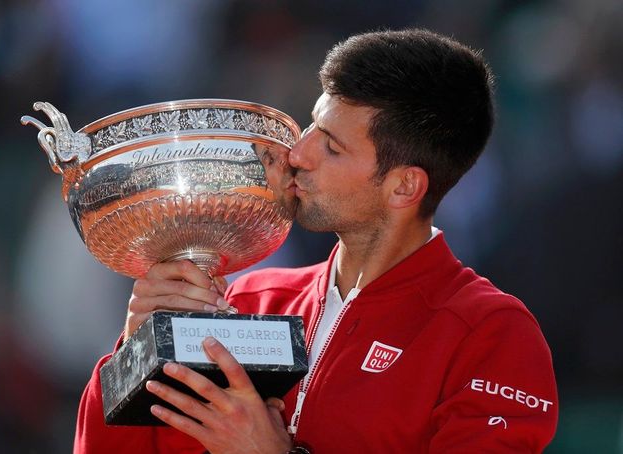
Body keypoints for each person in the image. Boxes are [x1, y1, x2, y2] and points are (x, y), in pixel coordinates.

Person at [74, 28, 558, 453]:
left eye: (332, 146)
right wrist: (135, 354)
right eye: (310, 125)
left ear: (404, 186)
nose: (298, 153)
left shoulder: (491, 335)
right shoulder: (248, 300)